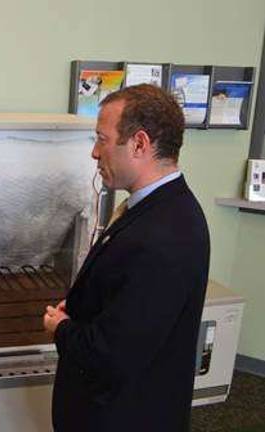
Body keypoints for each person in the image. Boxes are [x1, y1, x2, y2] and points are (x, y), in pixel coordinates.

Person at [44, 84, 210, 432]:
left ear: (139, 144)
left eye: (102, 139)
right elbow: (128, 305)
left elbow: (112, 357)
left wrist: (61, 328)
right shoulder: (155, 209)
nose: (93, 153)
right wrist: (82, 308)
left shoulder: (165, 236)